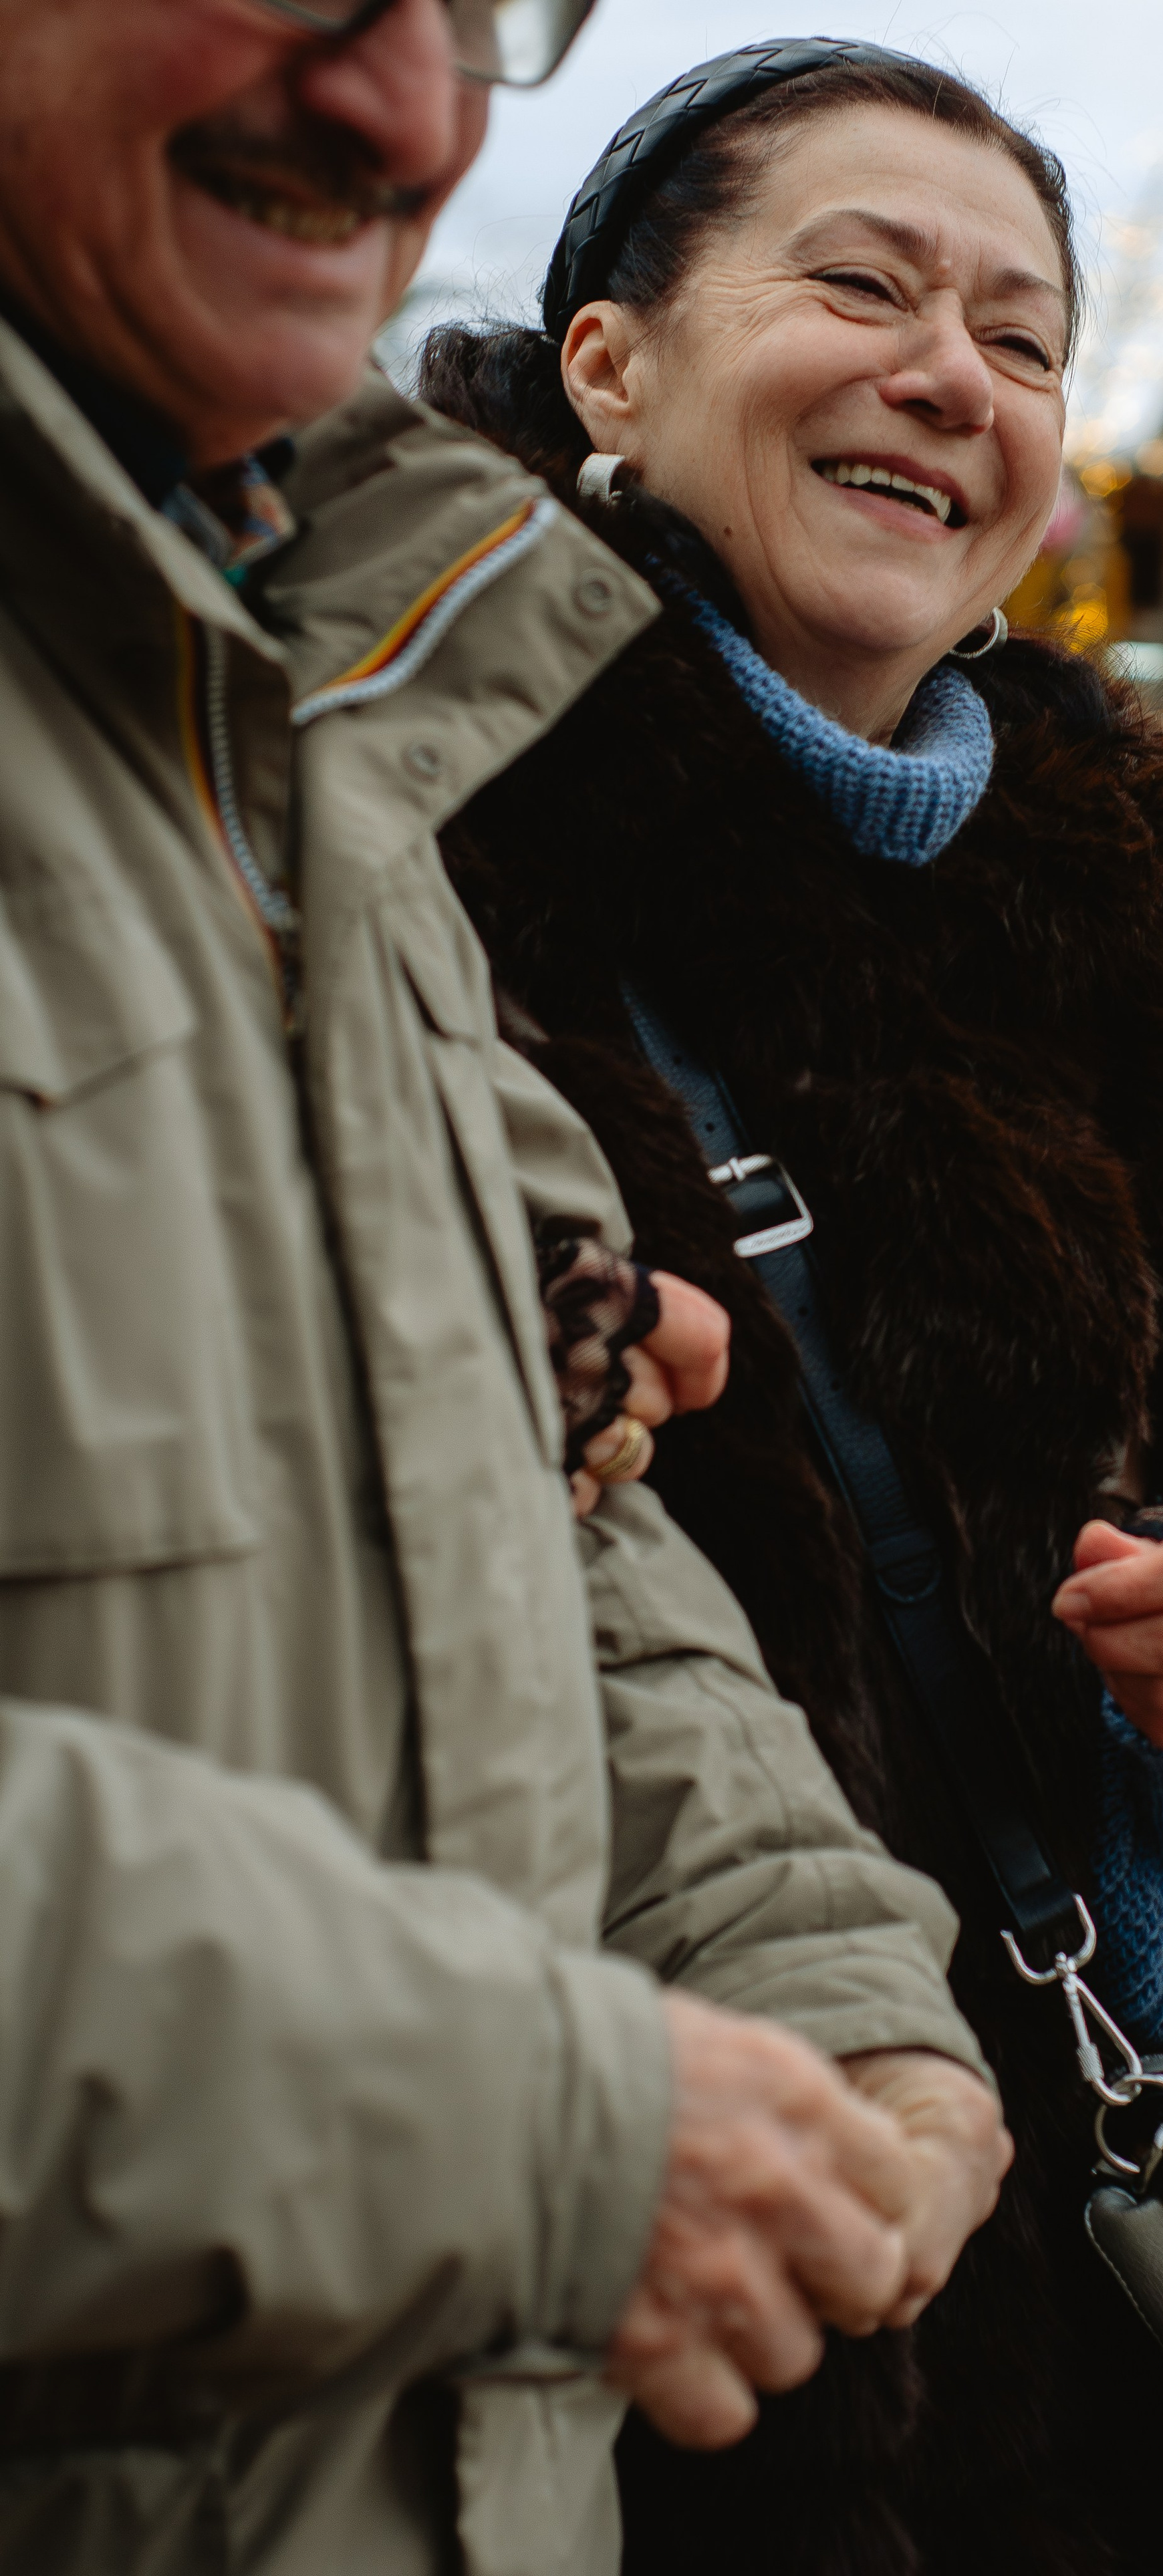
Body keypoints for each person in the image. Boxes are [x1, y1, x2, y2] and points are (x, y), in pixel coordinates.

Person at [423, 37, 1163, 2575]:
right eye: (864, 284)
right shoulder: (388, 855)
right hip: (567, 2314)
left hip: (1024, 2314)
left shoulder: (1100, 969)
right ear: (608, 362)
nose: (951, 377)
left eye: (1022, 340)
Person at [0, 7, 1011, 2572]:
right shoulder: (421, 746)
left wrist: (816, 1960)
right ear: (608, 360)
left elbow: (525, 1519)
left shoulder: (296, 728)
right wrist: (538, 2130)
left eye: (475, 15)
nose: (408, 106)